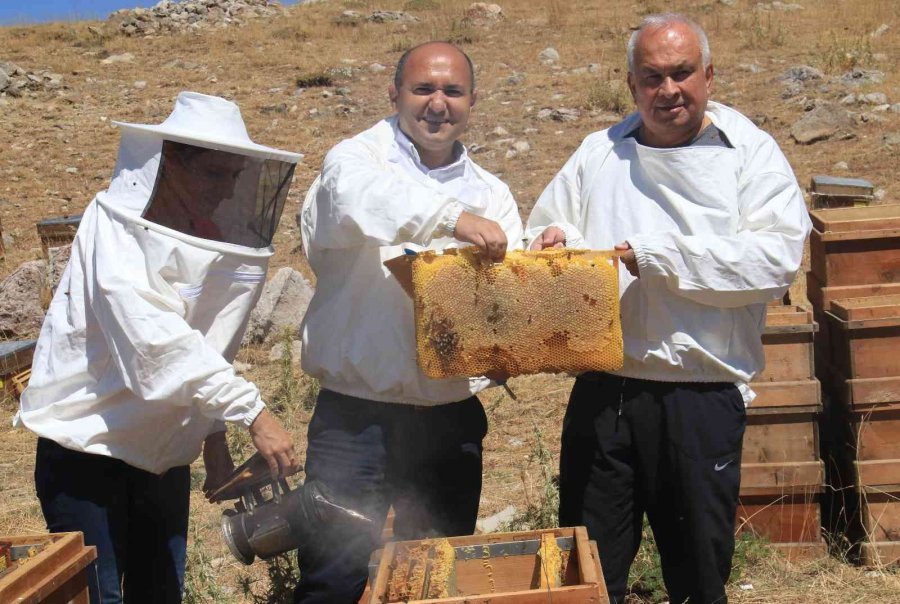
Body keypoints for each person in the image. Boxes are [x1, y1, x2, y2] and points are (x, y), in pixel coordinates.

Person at [527, 14, 811, 604]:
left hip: (698, 391)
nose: (668, 90)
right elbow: (550, 224)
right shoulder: (597, 152)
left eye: (682, 73)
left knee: (697, 570)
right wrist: (550, 242)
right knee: (587, 566)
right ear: (630, 83)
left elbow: (773, 260)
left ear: (708, 75)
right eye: (652, 76)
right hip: (604, 388)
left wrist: (658, 256)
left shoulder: (750, 153)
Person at [16, 92, 302, 604]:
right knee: (98, 598)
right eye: (217, 175)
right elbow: (153, 342)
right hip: (87, 452)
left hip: (163, 459)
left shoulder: (209, 235)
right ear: (173, 165)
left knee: (161, 596)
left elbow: (204, 348)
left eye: (236, 177)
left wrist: (213, 442)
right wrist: (253, 414)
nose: (227, 191)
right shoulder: (113, 229)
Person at [297, 41, 523, 603]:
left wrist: (538, 263)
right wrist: (452, 218)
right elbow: (358, 199)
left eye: (452, 91)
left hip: (448, 420)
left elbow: (505, 305)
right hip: (355, 420)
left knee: (436, 579)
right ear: (394, 93)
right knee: (333, 577)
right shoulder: (354, 160)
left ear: (473, 100)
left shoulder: (493, 193)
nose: (437, 104)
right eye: (423, 89)